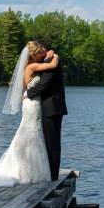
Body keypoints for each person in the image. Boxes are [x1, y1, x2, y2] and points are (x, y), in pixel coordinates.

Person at [0, 41, 56, 187]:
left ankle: (27, 168)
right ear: (33, 55)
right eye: (39, 52)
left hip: (31, 102)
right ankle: (30, 170)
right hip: (33, 104)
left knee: (30, 132)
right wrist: (55, 55)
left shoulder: (29, 67)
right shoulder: (32, 66)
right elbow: (52, 65)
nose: (42, 54)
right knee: (32, 132)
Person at [25, 39, 67, 180]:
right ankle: (46, 171)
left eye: (41, 50)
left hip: (52, 107)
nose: (42, 53)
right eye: (38, 53)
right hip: (45, 106)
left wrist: (27, 94)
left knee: (52, 142)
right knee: (46, 142)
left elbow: (44, 84)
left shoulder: (52, 60)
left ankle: (53, 175)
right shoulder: (44, 62)